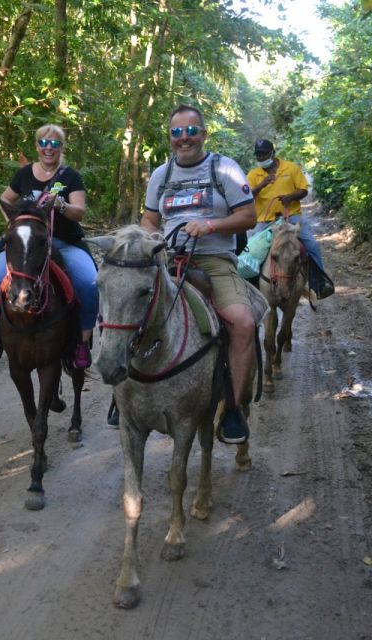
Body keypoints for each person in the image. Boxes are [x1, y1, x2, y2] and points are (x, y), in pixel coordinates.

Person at [140, 104, 257, 445]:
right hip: (167, 258)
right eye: (177, 132)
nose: (184, 138)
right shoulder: (161, 175)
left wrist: (211, 225)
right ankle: (125, 394)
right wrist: (152, 238)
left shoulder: (224, 169)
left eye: (191, 131)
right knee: (126, 305)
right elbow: (149, 219)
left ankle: (233, 407)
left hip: (213, 260)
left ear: (204, 134)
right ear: (170, 137)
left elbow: (248, 216)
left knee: (243, 322)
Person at [0, 124, 98, 369]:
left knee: (89, 282)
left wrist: (61, 206)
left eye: (54, 144)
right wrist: (15, 224)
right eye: (43, 143)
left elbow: (79, 212)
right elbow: (4, 200)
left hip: (64, 243)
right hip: (27, 246)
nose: (48, 148)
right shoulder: (24, 175)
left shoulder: (70, 176)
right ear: (36, 146)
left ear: (62, 147)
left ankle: (82, 342)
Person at [247, 139, 334, 301]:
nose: (260, 157)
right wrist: (262, 184)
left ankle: (319, 284)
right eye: (258, 155)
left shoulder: (291, 168)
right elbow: (247, 196)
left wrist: (290, 197)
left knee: (311, 245)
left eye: (263, 154)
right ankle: (250, 289)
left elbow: (303, 190)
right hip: (265, 220)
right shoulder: (253, 174)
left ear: (272, 153)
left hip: (292, 216)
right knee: (250, 252)